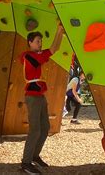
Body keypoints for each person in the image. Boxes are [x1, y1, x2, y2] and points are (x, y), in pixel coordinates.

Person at [19, 24, 65, 174]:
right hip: (33, 97)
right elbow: (52, 50)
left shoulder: (35, 56)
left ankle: (34, 156)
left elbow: (54, 49)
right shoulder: (29, 56)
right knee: (35, 129)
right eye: (37, 41)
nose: (40, 43)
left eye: (41, 41)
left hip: (40, 96)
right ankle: (26, 163)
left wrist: (60, 32)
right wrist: (58, 31)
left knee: (44, 128)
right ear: (30, 43)